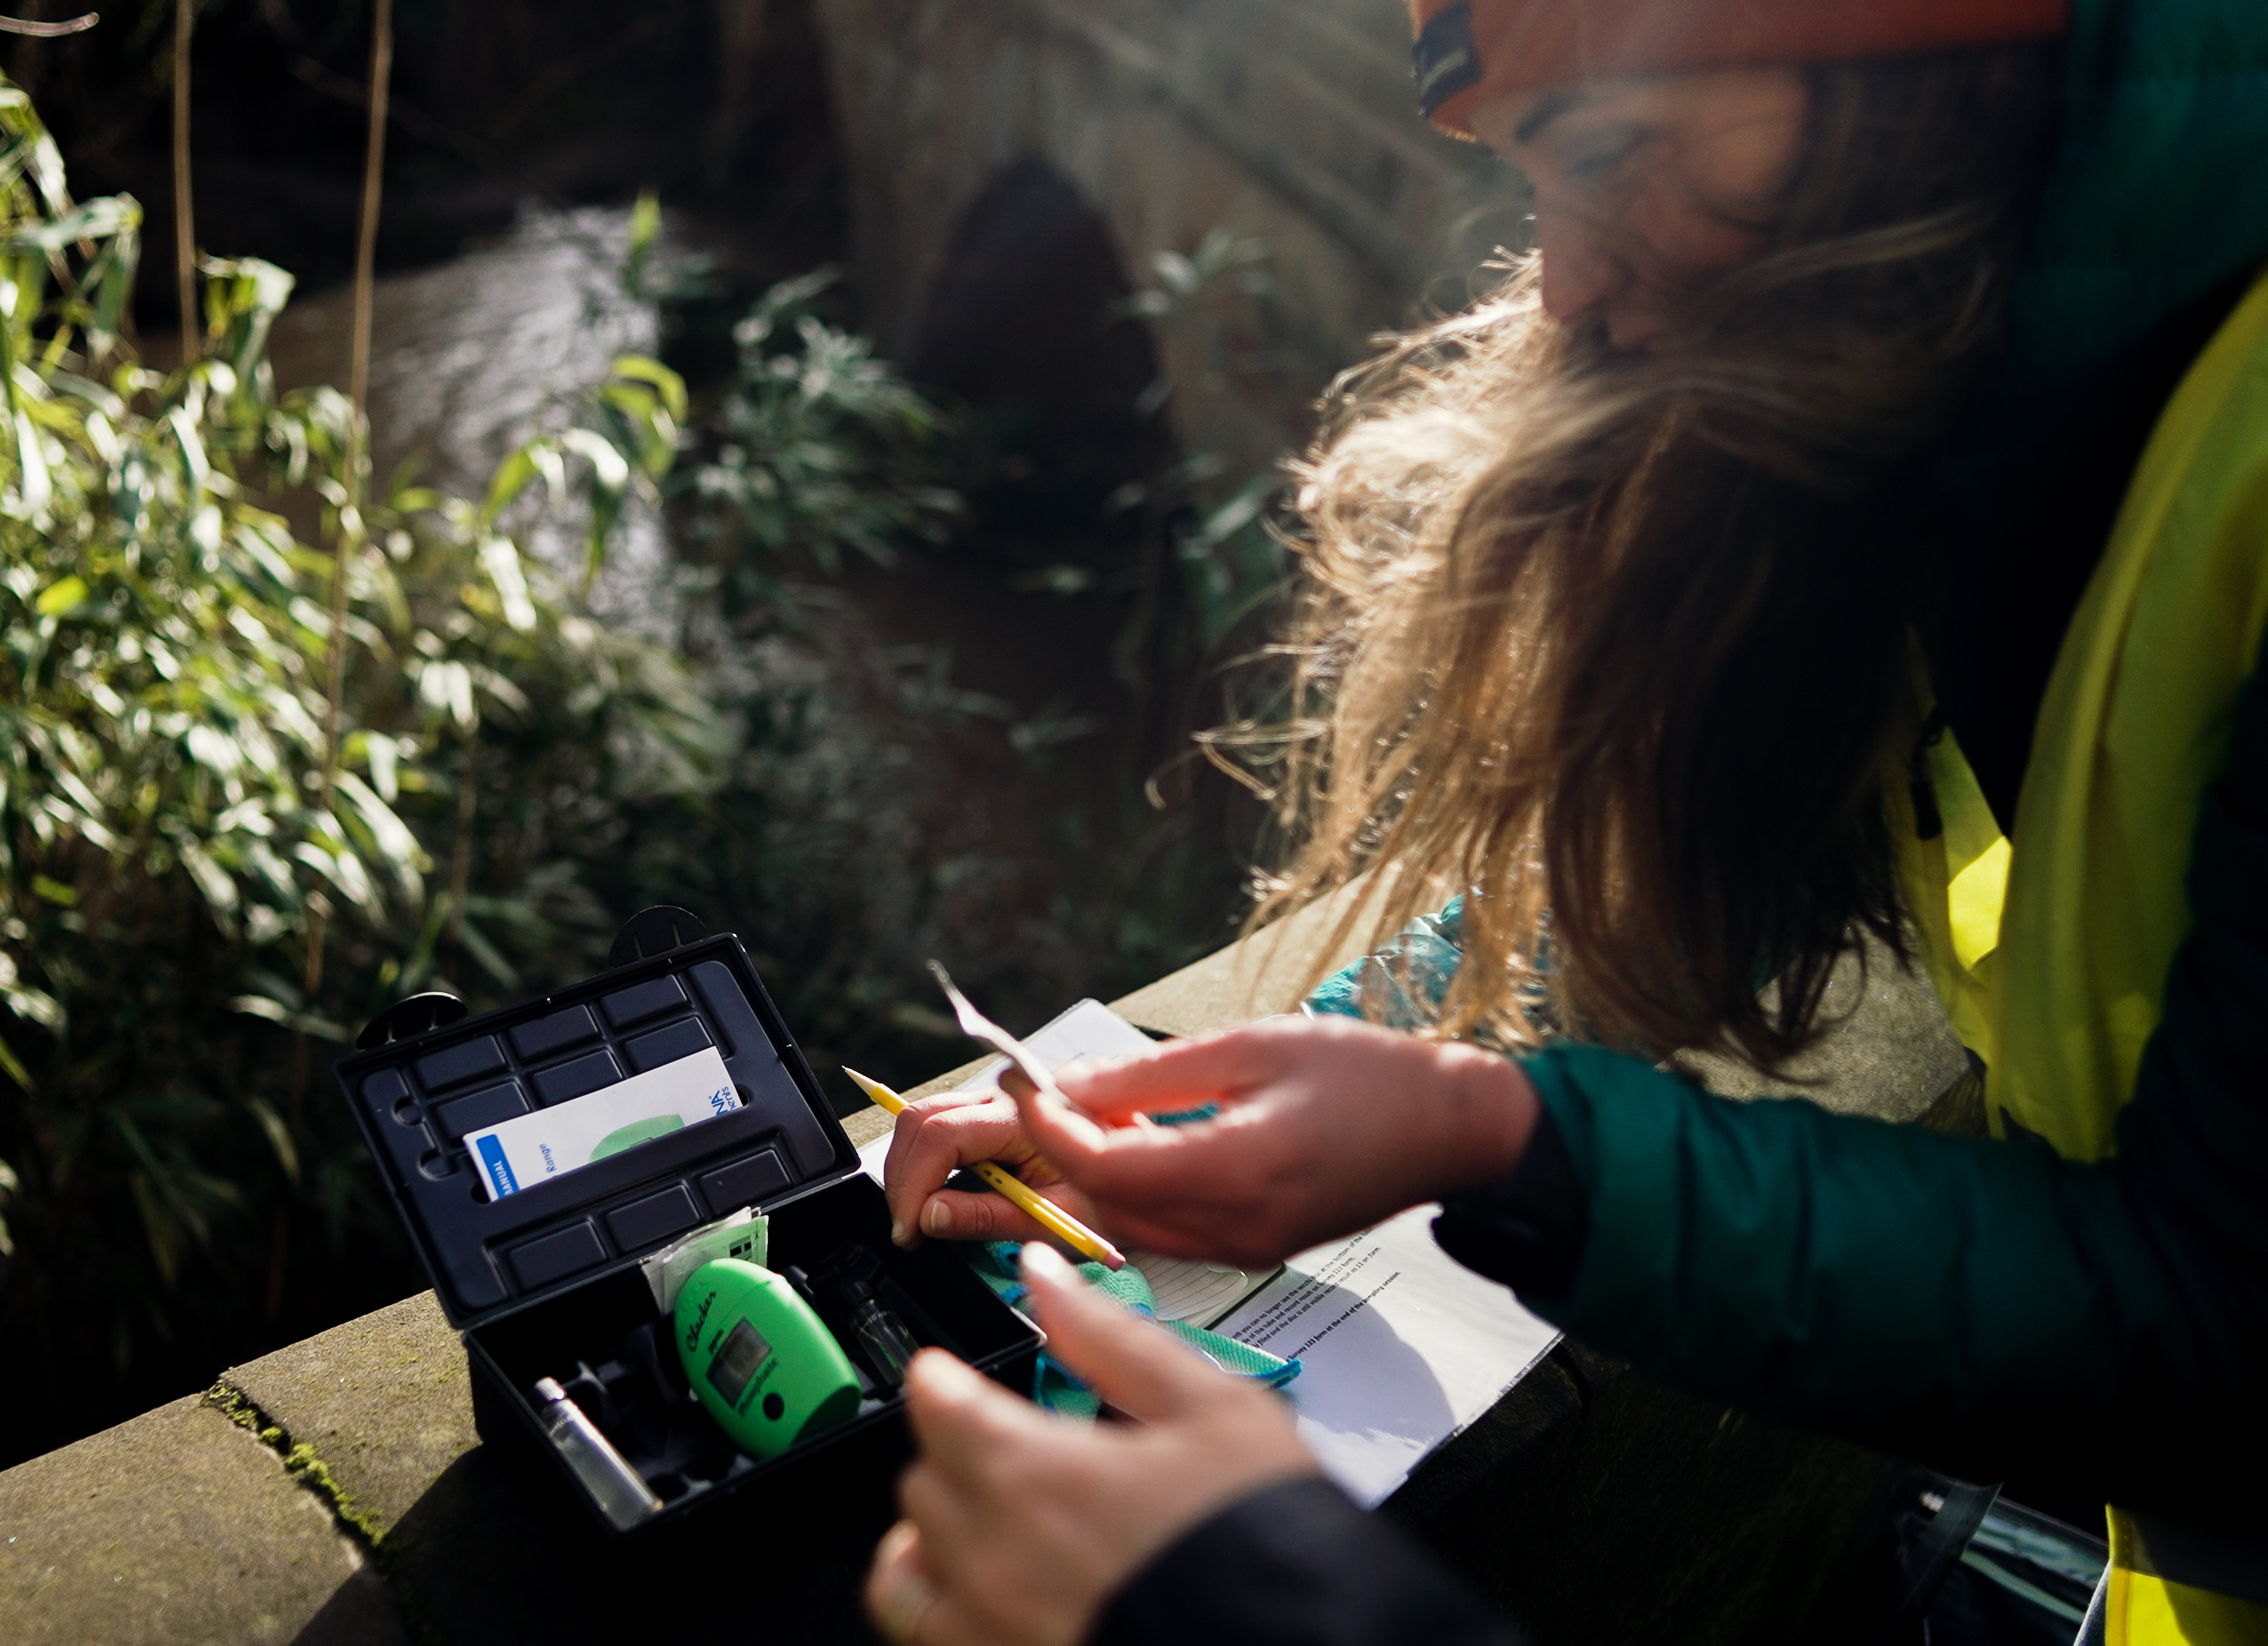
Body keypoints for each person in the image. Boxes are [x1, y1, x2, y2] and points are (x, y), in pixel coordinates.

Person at [863, 0, 2268, 1641]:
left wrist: (1259, 1597)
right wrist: (1292, 1092)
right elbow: (1713, 872)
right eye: (1540, 179)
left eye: (1612, 152)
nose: (1561, 283)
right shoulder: (1980, 361)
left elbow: (2232, 1335)